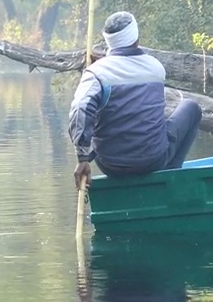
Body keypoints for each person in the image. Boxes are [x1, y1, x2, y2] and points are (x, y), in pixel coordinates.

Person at [68, 11, 202, 187]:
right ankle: (170, 174)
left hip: (110, 165)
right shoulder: (156, 68)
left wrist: (82, 156)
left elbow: (80, 108)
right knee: (191, 107)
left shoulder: (96, 73)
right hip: (153, 160)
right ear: (136, 37)